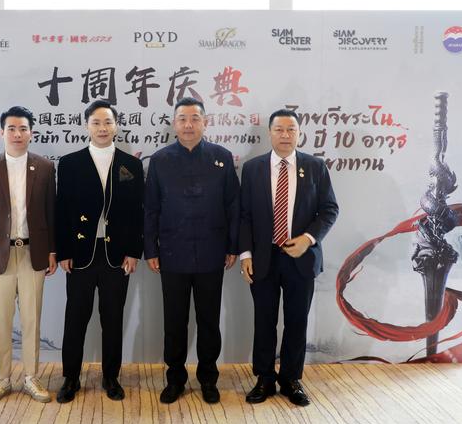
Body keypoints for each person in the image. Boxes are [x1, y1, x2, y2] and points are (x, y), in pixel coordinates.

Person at [239, 109, 338, 406]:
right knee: (264, 321)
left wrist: (308, 239)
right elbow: (244, 215)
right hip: (263, 258)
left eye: (291, 130)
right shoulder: (253, 168)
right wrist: (245, 254)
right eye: (279, 129)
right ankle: (264, 378)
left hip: (301, 258)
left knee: (297, 321)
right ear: (269, 133)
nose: (285, 135)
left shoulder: (315, 166)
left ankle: (291, 379)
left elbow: (329, 209)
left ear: (299, 133)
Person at [143, 97, 239, 404]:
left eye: (195, 118)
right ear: (174, 124)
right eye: (182, 119)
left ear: (205, 123)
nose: (188, 125)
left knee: (209, 320)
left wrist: (233, 246)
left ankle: (208, 378)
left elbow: (233, 206)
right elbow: (151, 209)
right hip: (172, 254)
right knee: (174, 321)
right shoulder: (160, 160)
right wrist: (151, 249)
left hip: (212, 253)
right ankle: (175, 379)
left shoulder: (221, 158)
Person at [55, 99, 144, 403]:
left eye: (108, 122)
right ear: (86, 126)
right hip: (80, 254)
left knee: (113, 319)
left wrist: (134, 252)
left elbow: (137, 213)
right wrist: (63, 251)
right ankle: (70, 378)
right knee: (75, 319)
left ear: (116, 126)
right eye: (96, 122)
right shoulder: (70, 163)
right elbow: (62, 210)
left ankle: (111, 377)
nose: (102, 128)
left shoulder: (131, 164)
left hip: (116, 255)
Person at [0, 105, 57, 405]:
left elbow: (51, 212)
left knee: (32, 319)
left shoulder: (44, 168)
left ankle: (32, 377)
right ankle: (2, 379)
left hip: (34, 253)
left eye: (23, 129)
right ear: (2, 132)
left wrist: (52, 250)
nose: (17, 134)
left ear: (31, 132)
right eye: (12, 129)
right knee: (1, 320)